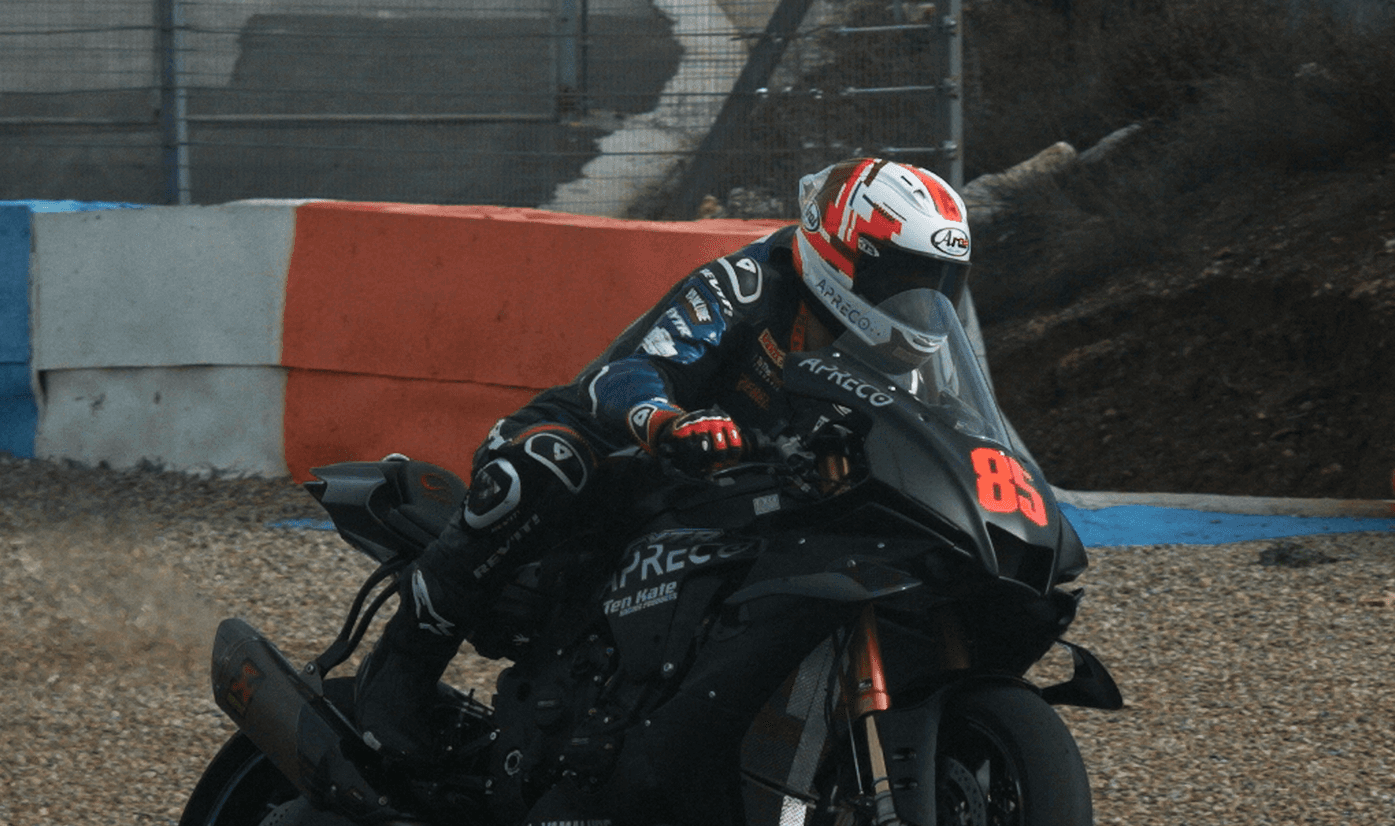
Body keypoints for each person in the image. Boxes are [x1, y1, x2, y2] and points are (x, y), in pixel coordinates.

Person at [354, 157, 974, 762]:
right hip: (611, 453)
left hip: (736, 501)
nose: (921, 305)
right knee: (546, 464)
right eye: (904, 279)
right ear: (840, 255)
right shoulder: (750, 283)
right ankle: (400, 670)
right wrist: (669, 420)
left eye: (940, 285)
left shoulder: (910, 368)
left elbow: (953, 432)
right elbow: (629, 372)